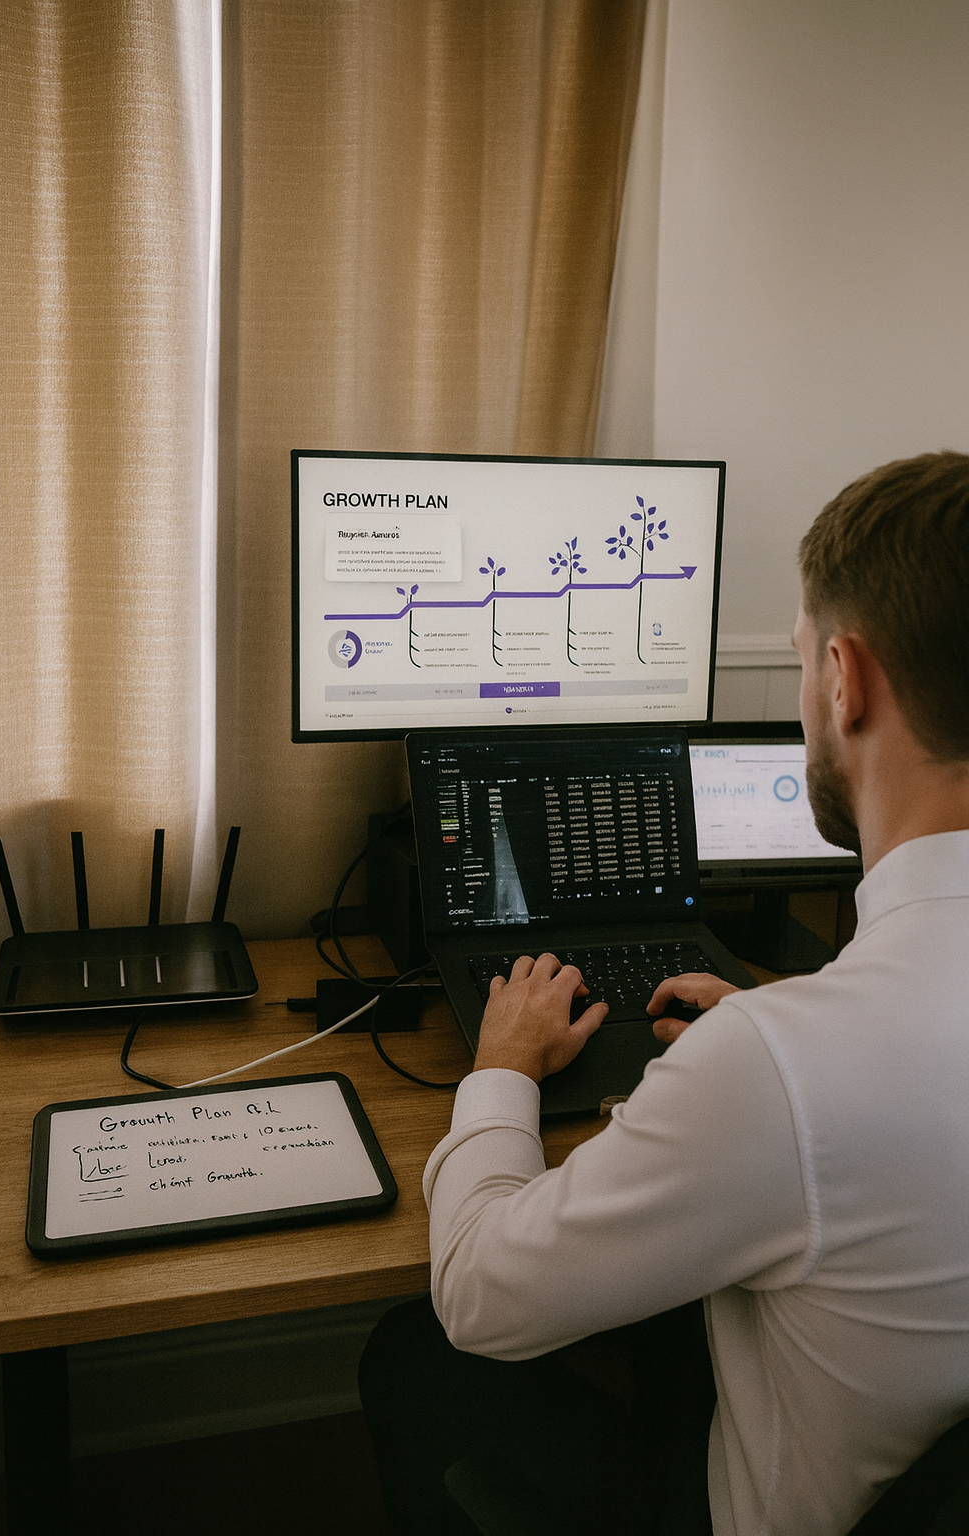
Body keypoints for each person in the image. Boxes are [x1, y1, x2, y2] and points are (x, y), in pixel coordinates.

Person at [359, 451, 969, 1536]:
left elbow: (481, 1295)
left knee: (411, 1353)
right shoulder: (792, 1050)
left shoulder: (783, 1066)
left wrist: (500, 1068)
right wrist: (779, 1037)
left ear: (844, 678)